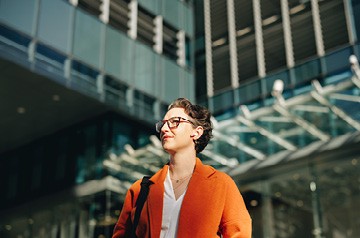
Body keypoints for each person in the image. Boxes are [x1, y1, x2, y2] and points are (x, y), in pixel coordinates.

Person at [112, 98, 252, 238]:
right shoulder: (139, 190)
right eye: (163, 124)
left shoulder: (221, 184)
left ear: (196, 132)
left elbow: (239, 234)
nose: (164, 129)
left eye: (175, 122)